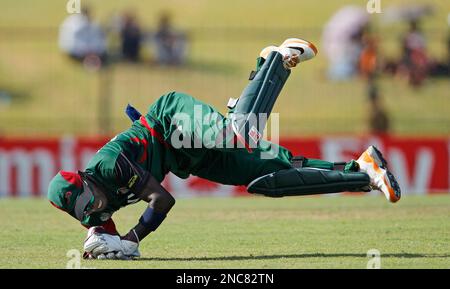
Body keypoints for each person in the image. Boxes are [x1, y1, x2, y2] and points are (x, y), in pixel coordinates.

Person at [47, 38, 401, 260]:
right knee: (269, 176)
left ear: (83, 178)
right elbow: (102, 233)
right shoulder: (90, 211)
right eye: (85, 209)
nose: (94, 205)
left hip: (170, 121)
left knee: (238, 133)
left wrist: (132, 238)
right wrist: (102, 246)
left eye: (89, 197)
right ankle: (364, 171)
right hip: (184, 155)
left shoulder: (109, 167)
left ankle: (277, 60)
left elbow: (163, 200)